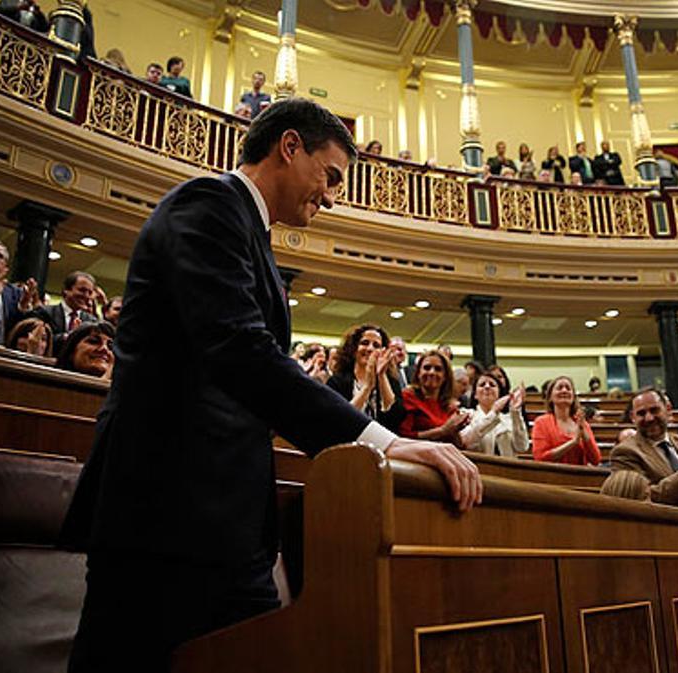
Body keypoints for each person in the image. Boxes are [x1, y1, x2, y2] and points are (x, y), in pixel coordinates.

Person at [61, 99, 481, 673]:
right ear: (289, 147)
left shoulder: (248, 231)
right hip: (165, 518)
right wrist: (381, 441)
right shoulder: (207, 206)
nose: (332, 196)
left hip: (225, 530)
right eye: (329, 175)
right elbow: (241, 353)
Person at [328, 324, 405, 433]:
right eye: (364, 343)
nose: (370, 349)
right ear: (353, 348)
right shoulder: (337, 381)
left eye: (376, 345)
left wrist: (382, 376)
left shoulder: (391, 381)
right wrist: (367, 387)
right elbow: (342, 418)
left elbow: (395, 418)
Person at [400, 350, 466, 446]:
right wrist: (442, 431)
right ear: (418, 373)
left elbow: (459, 445)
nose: (432, 372)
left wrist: (456, 429)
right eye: (427, 368)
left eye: (438, 369)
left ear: (445, 377)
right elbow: (403, 437)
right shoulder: (407, 397)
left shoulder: (449, 406)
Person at [531, 376, 600, 465]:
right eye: (559, 388)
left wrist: (585, 436)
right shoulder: (541, 422)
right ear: (550, 397)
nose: (564, 390)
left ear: (573, 397)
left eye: (568, 388)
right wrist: (573, 442)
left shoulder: (581, 422)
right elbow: (540, 457)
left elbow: (596, 460)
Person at [461, 372, 528, 458]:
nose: (487, 386)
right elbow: (468, 442)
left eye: (492, 385)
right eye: (482, 385)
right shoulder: (466, 415)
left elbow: (522, 447)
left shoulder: (509, 418)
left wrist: (515, 412)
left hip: (508, 468)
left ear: (499, 394)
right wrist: (493, 412)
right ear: (475, 395)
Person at [34, 270, 100, 341]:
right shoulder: (44, 312)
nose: (86, 296)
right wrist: (68, 336)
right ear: (66, 290)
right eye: (82, 290)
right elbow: (39, 339)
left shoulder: (92, 321)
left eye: (90, 293)